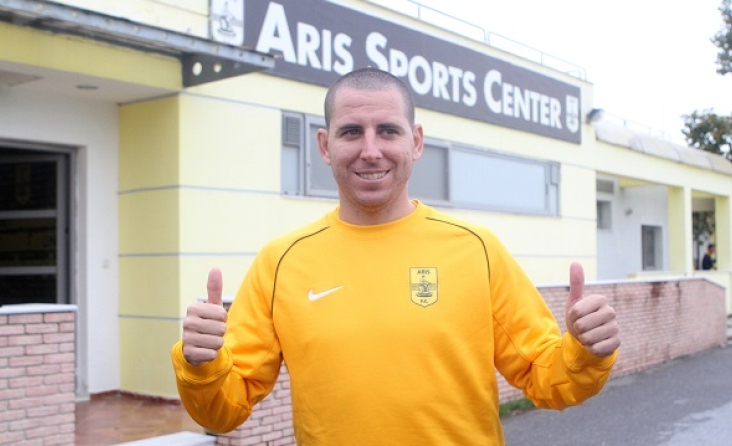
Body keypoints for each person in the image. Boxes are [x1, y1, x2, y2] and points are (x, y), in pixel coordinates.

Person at [171, 67, 620, 445]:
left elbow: (548, 379)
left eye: (388, 130)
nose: (371, 151)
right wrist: (201, 364)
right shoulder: (280, 263)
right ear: (325, 146)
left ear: (416, 141)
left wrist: (584, 352)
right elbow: (223, 412)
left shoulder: (476, 250)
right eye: (351, 132)